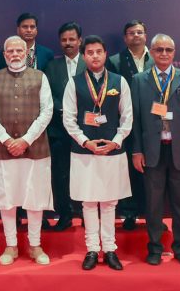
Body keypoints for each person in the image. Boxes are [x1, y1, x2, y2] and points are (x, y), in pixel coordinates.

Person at [0, 35, 53, 265]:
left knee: (34, 198)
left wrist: (25, 140)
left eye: (19, 51)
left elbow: (47, 111)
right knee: (7, 198)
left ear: (26, 53)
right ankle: (10, 245)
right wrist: (6, 139)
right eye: (10, 51)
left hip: (35, 148)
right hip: (2, 149)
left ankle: (34, 245)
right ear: (4, 54)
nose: (14, 55)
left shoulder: (40, 77)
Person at [132, 34, 180, 266]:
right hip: (152, 152)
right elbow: (136, 120)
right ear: (151, 52)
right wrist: (137, 151)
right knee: (153, 204)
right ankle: (154, 248)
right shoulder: (139, 80)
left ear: (174, 52)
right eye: (159, 49)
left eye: (168, 50)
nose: (164, 54)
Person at [63, 35, 132, 271]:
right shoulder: (74, 82)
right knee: (89, 203)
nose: (94, 56)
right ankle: (92, 249)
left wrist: (116, 141)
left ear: (105, 54)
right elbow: (69, 119)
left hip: (112, 150)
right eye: (90, 52)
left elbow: (127, 117)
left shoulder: (119, 81)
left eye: (99, 51)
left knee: (110, 202)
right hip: (84, 152)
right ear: (84, 56)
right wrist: (85, 142)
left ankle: (110, 249)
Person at [106, 20, 154, 230]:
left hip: (154, 121)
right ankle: (130, 212)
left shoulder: (157, 58)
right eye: (131, 33)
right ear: (125, 38)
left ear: (145, 35)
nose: (136, 35)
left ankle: (152, 212)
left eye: (140, 32)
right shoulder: (115, 61)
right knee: (128, 169)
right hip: (125, 122)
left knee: (153, 168)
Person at [43, 21, 85, 231]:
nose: (68, 43)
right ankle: (65, 214)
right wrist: (66, 112)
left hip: (87, 131)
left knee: (87, 173)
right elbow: (47, 95)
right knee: (60, 174)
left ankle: (88, 214)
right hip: (59, 130)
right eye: (64, 40)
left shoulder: (91, 62)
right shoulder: (52, 66)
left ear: (80, 40)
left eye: (72, 39)